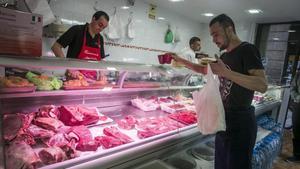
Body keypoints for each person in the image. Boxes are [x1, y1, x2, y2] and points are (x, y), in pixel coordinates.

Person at [171, 14, 267, 169]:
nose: (214, 39)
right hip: (224, 120)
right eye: (212, 35)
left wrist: (226, 73)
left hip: (241, 122)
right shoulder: (225, 56)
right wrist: (180, 60)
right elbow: (204, 70)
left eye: (216, 34)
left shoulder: (247, 49)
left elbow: (262, 84)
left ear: (229, 29)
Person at [51, 11, 109, 80]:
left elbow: (101, 59)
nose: (101, 29)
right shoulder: (77, 30)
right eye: (100, 25)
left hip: (92, 80)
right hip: (74, 78)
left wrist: (102, 73)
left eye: (104, 28)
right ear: (93, 19)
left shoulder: (100, 38)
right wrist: (69, 68)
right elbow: (56, 47)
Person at [287, 70, 300, 163]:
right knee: (297, 130)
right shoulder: (299, 74)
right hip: (298, 104)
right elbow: (292, 88)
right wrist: (298, 97)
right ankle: (297, 155)